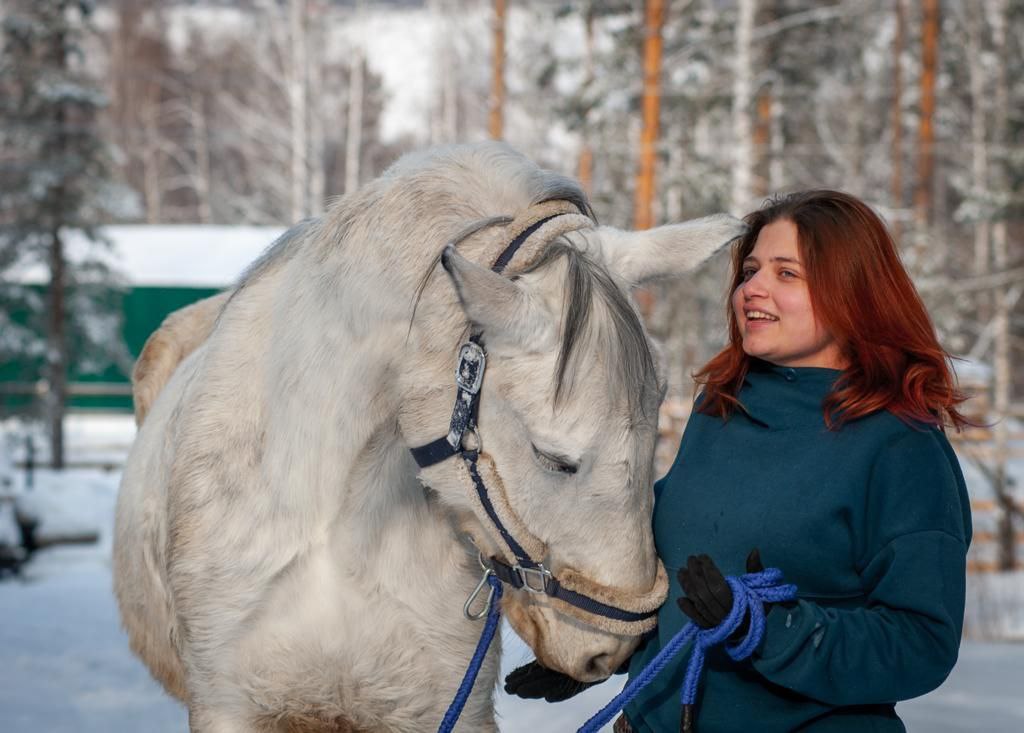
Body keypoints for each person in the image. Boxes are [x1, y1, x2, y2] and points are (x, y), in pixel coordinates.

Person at [504, 190, 973, 732]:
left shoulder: (899, 446)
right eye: (750, 270)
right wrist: (606, 652)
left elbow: (921, 644)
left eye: (786, 274)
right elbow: (688, 585)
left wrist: (769, 631)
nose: (753, 288)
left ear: (852, 292)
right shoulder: (724, 406)